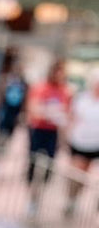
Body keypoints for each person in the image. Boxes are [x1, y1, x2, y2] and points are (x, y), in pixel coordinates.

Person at [24, 59, 72, 211]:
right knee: (33, 162)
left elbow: (66, 112)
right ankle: (32, 196)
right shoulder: (41, 88)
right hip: (38, 130)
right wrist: (48, 113)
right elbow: (33, 109)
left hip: (53, 132)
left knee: (49, 165)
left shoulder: (65, 91)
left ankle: (39, 194)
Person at [63, 70, 99, 217]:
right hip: (80, 142)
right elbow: (71, 118)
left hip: (95, 143)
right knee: (77, 174)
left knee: (86, 174)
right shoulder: (82, 99)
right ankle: (71, 200)